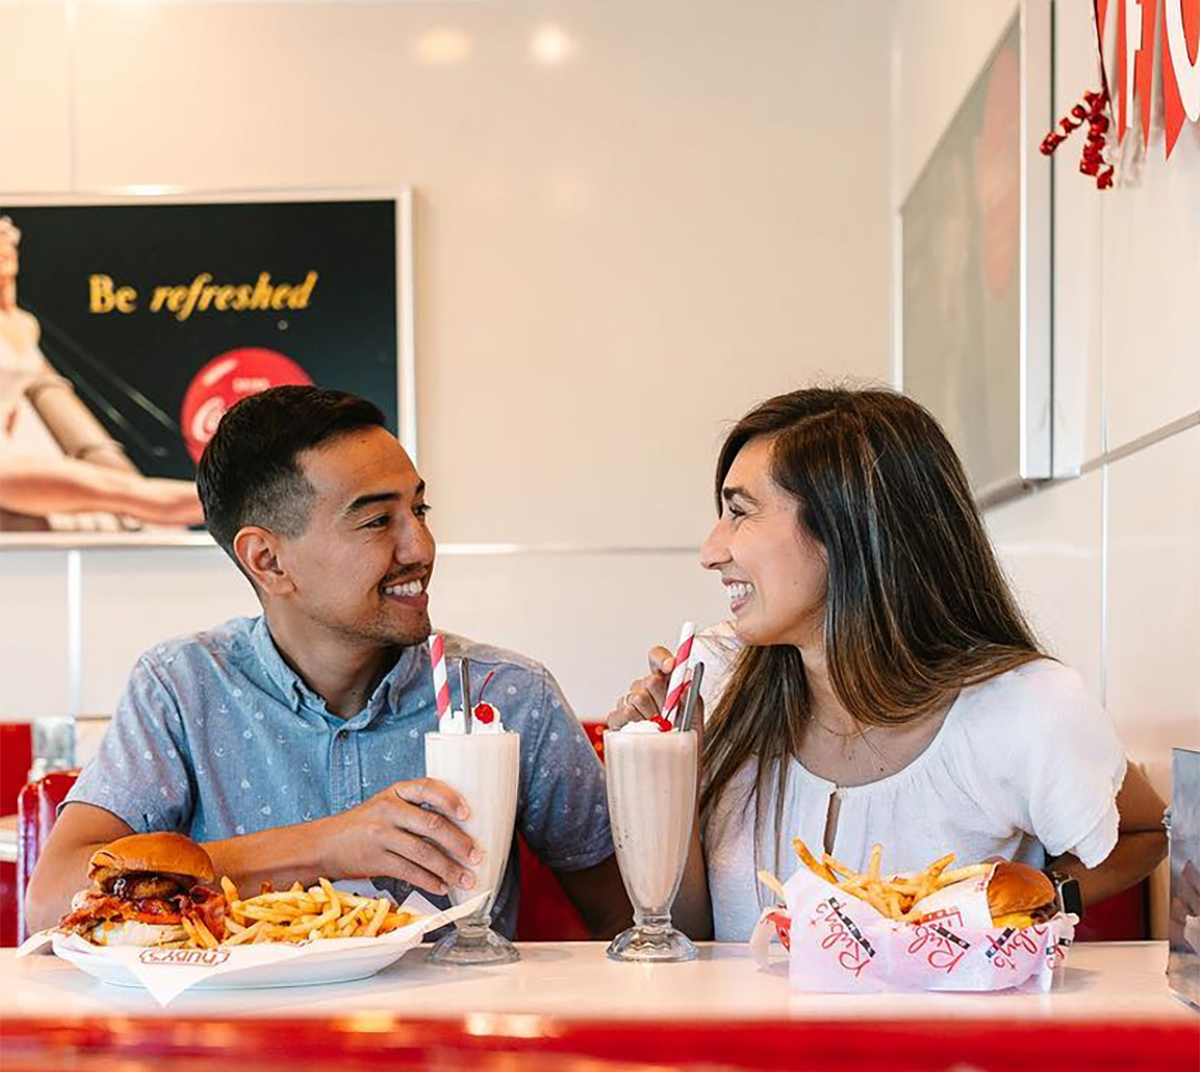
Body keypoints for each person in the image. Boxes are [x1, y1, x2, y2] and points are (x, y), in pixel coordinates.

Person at [26, 386, 628, 938]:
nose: (420, 548)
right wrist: (324, 846)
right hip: (239, 1045)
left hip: (453, 1045)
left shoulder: (509, 694)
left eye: (420, 510)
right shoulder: (184, 687)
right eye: (375, 521)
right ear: (267, 561)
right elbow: (51, 900)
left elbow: (642, 923)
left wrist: (676, 772)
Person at [607, 387, 1168, 942]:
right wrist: (670, 778)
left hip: (944, 1036)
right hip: (745, 1035)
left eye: (739, 513)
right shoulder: (718, 675)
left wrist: (1034, 900)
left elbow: (1146, 831)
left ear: (846, 529)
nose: (710, 550)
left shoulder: (1023, 707)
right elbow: (691, 936)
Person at [0, 215, 203, 533]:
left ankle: (220, 499)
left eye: (8, 245)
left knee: (117, 491)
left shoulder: (26, 324)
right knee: (123, 493)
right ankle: (224, 499)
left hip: (13, 450)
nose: (5, 252)